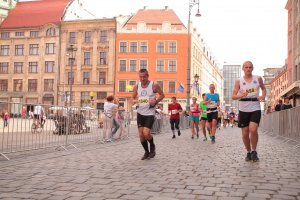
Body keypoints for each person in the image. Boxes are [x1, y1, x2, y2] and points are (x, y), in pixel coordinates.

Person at [232, 61, 266, 162]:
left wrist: (263, 96)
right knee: (245, 133)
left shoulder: (258, 78)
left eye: (250, 67)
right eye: (246, 67)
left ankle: (254, 151)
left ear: (252, 68)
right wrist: (240, 95)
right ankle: (248, 151)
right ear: (243, 69)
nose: (248, 69)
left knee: (253, 129)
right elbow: (233, 96)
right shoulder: (239, 81)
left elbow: (264, 89)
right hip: (243, 108)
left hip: (255, 106)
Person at [132, 69, 165, 160]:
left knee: (146, 133)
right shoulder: (137, 86)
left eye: (144, 77)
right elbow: (132, 98)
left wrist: (156, 101)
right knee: (141, 135)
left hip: (150, 113)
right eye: (140, 77)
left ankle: (152, 146)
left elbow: (162, 95)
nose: (142, 79)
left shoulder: (154, 85)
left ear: (148, 76)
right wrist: (135, 101)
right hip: (140, 113)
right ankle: (146, 152)